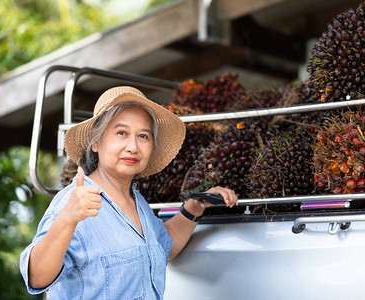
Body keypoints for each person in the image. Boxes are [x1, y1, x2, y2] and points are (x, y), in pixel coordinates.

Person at [19, 86, 238, 299]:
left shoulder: (137, 201)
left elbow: (163, 248)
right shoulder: (74, 202)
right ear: (96, 142)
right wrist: (67, 219)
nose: (133, 146)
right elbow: (36, 277)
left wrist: (194, 208)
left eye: (143, 136)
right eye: (121, 132)